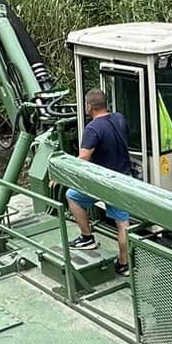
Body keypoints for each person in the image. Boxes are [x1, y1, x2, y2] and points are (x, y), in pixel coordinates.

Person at [67, 88, 133, 274]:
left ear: (89, 106)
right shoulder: (119, 118)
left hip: (104, 183)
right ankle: (124, 264)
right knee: (123, 224)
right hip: (124, 178)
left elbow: (84, 157)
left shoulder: (92, 128)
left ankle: (87, 237)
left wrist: (63, 173)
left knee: (72, 195)